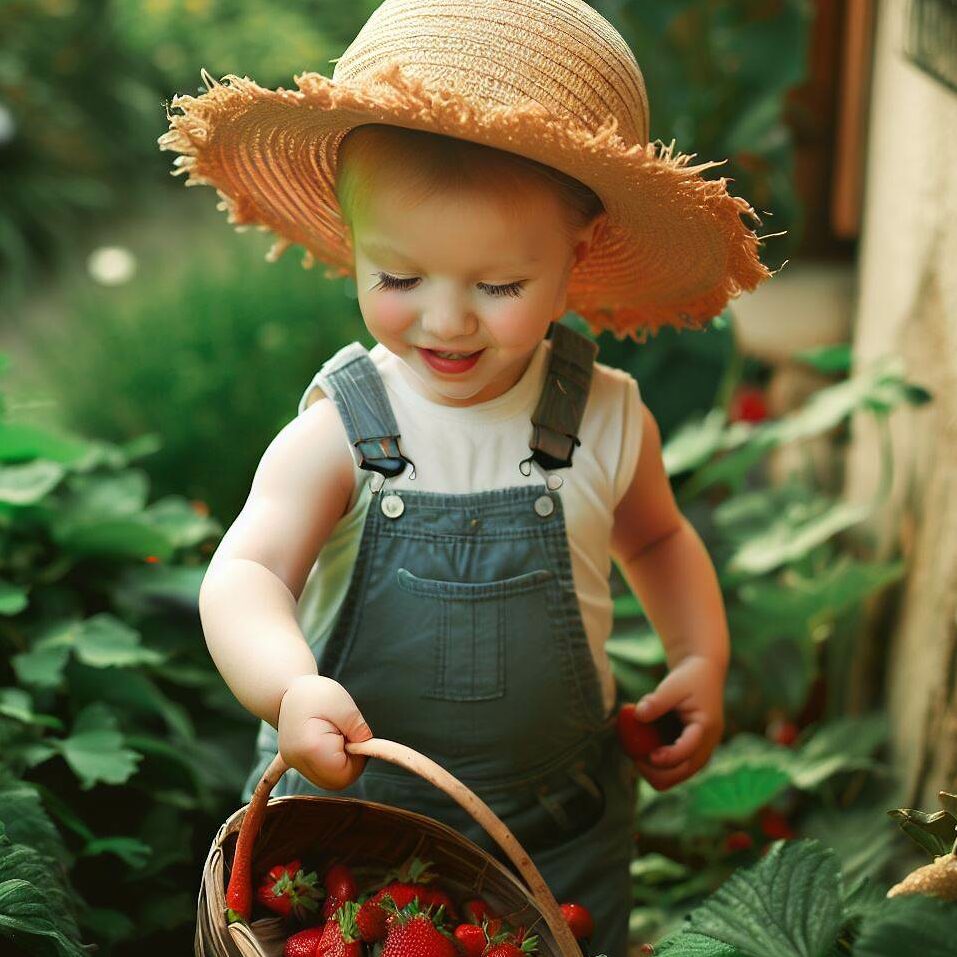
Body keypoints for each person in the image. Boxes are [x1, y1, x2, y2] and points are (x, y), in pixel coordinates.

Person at [159, 1, 773, 952]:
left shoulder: (606, 415)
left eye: (496, 287)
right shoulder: (343, 430)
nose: (445, 321)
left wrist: (700, 656)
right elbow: (248, 572)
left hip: (557, 845)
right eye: (397, 278)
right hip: (348, 835)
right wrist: (286, 687)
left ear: (575, 259)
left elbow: (657, 536)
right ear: (351, 244)